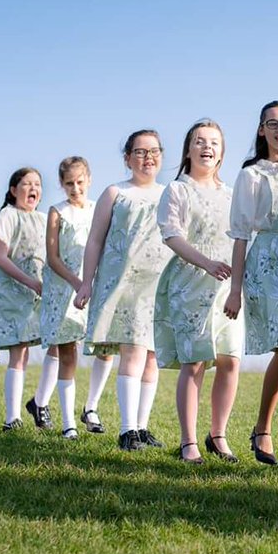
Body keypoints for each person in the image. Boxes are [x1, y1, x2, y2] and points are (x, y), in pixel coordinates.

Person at [153, 120, 243, 464]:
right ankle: (188, 441)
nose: (207, 147)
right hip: (190, 281)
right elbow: (171, 235)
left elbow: (240, 237)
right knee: (195, 363)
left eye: (214, 143)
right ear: (188, 149)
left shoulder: (231, 194)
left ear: (222, 152)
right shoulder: (177, 190)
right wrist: (206, 263)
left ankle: (217, 435)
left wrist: (237, 283)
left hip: (227, 287)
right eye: (200, 141)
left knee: (230, 359)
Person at [224, 101, 278, 473]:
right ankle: (261, 427)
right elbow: (241, 235)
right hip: (267, 262)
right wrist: (235, 288)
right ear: (261, 130)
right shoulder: (252, 175)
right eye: (272, 124)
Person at [76, 130, 172, 450]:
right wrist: (86, 282)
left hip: (159, 286)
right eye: (141, 152)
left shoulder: (169, 193)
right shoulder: (116, 192)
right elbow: (94, 240)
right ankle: (127, 430)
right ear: (128, 158)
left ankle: (142, 428)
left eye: (154, 151)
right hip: (124, 286)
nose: (148, 158)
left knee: (151, 358)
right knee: (131, 352)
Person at [0, 167, 51, 431]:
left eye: (37, 184)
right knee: (18, 352)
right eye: (27, 184)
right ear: (14, 190)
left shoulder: (44, 218)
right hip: (12, 294)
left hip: (37, 293)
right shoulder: (8, 215)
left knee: (32, 352)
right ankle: (12, 418)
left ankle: (37, 404)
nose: (33, 188)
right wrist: (30, 282)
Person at [38, 156, 96, 439]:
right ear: (62, 185)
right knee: (67, 353)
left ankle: (92, 407)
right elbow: (53, 257)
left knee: (102, 348)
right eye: (69, 184)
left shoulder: (98, 210)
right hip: (64, 288)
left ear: (89, 180)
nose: (75, 188)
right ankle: (68, 422)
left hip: (92, 286)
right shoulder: (56, 212)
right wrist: (76, 283)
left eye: (80, 182)